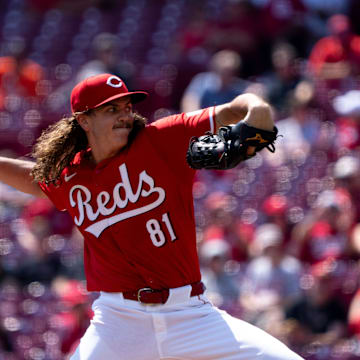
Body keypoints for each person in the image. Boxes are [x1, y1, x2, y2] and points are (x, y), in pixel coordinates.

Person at [0, 73, 303, 360]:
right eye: (111, 109)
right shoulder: (75, 175)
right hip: (118, 322)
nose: (124, 115)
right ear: (84, 120)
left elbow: (233, 110)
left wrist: (258, 107)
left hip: (189, 314)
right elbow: (35, 180)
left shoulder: (163, 140)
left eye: (127, 106)